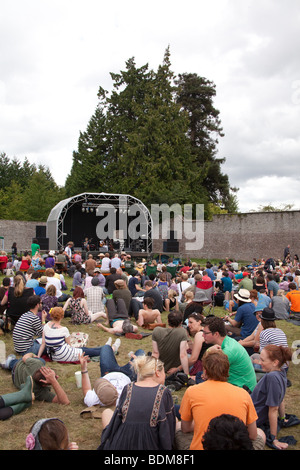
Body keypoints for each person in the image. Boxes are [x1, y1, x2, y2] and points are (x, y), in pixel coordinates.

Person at [176, 349, 265, 451]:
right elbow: (253, 435)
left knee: (178, 427)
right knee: (260, 433)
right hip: (235, 444)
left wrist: (202, 423)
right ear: (227, 370)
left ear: (205, 370)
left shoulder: (192, 391)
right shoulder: (243, 394)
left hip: (204, 446)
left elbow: (185, 428)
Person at [98, 355, 176, 450]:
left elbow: (116, 421)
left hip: (122, 444)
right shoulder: (163, 392)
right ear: (158, 373)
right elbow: (167, 428)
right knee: (175, 419)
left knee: (107, 412)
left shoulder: (128, 388)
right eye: (164, 372)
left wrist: (108, 440)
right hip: (150, 444)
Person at [198, 316, 257, 391]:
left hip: (242, 390)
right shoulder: (228, 341)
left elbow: (207, 375)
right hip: (240, 384)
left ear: (216, 334)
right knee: (198, 376)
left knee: (200, 383)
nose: (203, 335)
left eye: (205, 333)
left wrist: (208, 352)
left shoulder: (228, 351)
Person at [251, 345, 293, 449]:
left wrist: (274, 438)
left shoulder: (272, 378)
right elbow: (280, 399)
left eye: (263, 360)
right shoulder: (281, 373)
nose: (260, 363)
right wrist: (283, 418)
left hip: (252, 417)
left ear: (275, 362)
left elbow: (273, 409)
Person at [37, 307, 103, 362]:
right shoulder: (63, 329)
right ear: (62, 317)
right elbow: (69, 346)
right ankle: (107, 349)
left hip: (53, 356)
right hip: (64, 355)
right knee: (88, 351)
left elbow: (43, 344)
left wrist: (38, 356)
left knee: (84, 349)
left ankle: (104, 348)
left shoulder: (46, 326)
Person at [1, 353, 70, 404]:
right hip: (15, 380)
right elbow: (65, 402)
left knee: (41, 360)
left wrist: (32, 355)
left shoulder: (37, 364)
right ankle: (9, 362)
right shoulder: (40, 392)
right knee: (41, 360)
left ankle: (8, 362)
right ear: (44, 384)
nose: (57, 376)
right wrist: (54, 382)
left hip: (17, 367)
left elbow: (25, 357)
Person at [152, 311, 189, 375]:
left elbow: (155, 353)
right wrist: (187, 375)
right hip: (175, 367)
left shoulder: (156, 330)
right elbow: (183, 355)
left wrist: (152, 371)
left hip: (161, 367)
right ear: (180, 323)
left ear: (168, 321)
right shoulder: (182, 332)